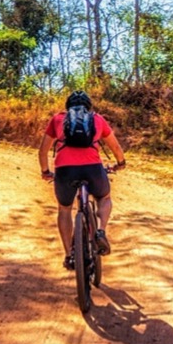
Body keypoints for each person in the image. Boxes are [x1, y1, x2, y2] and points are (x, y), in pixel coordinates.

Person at [38, 90, 126, 269]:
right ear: (89, 106)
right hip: (92, 169)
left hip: (65, 171)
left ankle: (70, 255)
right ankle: (100, 231)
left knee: (64, 209)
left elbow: (43, 151)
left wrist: (46, 171)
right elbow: (115, 146)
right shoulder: (97, 119)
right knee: (104, 197)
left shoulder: (57, 119)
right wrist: (120, 163)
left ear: (67, 106)